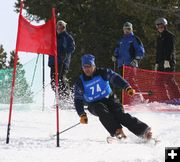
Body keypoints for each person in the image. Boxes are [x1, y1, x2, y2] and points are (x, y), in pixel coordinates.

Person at [74, 54, 152, 140]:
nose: (87, 69)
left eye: (89, 66)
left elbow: (116, 78)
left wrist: (127, 87)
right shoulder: (80, 81)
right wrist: (82, 114)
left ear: (94, 65)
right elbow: (78, 99)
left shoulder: (103, 72)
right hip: (94, 104)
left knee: (120, 115)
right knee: (101, 110)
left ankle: (144, 131)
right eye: (84, 67)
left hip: (109, 99)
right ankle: (118, 132)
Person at [48, 20, 75, 97]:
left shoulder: (67, 37)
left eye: (62, 27)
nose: (60, 28)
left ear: (64, 28)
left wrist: (65, 53)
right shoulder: (53, 37)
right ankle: (60, 97)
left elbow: (72, 47)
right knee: (53, 82)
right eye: (58, 26)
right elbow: (47, 46)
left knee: (60, 79)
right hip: (53, 61)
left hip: (62, 61)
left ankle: (66, 96)